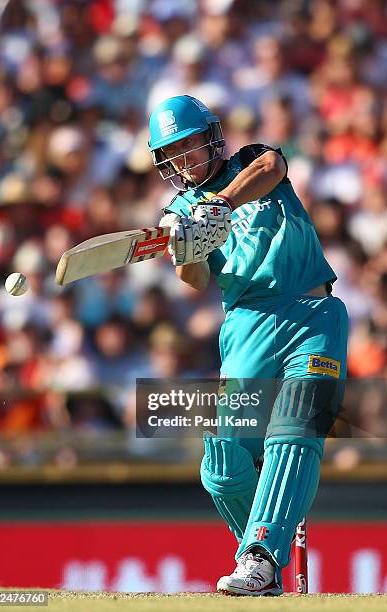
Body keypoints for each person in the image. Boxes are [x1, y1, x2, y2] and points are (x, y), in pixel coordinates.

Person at [148, 95, 348, 596]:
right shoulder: (177, 208)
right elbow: (191, 279)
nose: (185, 161)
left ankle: (260, 555)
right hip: (247, 325)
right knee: (222, 464)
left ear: (212, 138)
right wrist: (188, 244)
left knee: (293, 434)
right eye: (173, 154)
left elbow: (271, 165)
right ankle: (260, 561)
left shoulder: (248, 162)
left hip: (313, 315)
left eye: (191, 146)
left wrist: (221, 206)